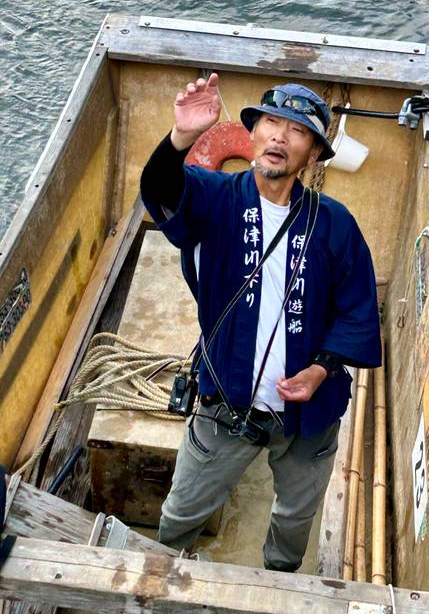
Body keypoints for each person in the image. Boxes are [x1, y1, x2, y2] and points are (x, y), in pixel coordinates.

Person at [141, 73, 381, 571]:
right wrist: (181, 137)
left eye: (297, 130)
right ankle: (164, 573)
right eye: (271, 123)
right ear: (252, 134)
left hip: (309, 416)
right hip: (226, 404)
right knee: (181, 511)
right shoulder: (213, 198)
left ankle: (280, 580)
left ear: (313, 154)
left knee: (295, 517)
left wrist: (321, 369)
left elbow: (357, 308)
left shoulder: (335, 224)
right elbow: (161, 189)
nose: (279, 136)